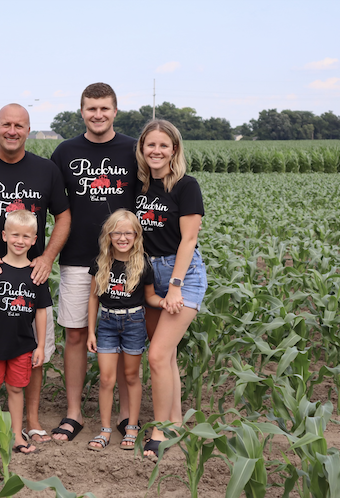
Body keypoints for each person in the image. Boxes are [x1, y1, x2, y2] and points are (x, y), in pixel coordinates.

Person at [0, 104, 70, 443]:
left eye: (20, 125)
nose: (12, 130)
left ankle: (31, 419)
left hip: (30, 279)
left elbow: (63, 216)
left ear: (28, 130)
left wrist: (48, 257)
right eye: (6, 124)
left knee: (32, 350)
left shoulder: (46, 170)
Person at [50, 83, 138, 442]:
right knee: (75, 334)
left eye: (104, 108)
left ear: (115, 111)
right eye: (91, 109)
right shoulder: (66, 152)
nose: (97, 114)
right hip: (77, 256)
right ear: (81, 112)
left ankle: (123, 414)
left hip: (124, 260)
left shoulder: (133, 149)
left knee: (123, 336)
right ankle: (74, 413)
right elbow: (54, 204)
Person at [134, 120, 207, 461]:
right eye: (151, 145)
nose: (157, 151)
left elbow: (189, 240)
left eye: (164, 145)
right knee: (167, 355)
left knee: (158, 355)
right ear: (142, 148)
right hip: (148, 274)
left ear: (174, 149)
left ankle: (160, 429)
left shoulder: (186, 186)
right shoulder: (139, 186)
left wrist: (176, 286)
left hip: (182, 274)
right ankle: (176, 422)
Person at [86, 210, 166, 451]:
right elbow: (93, 299)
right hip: (108, 323)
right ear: (108, 235)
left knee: (131, 377)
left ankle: (131, 427)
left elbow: (150, 297)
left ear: (136, 235)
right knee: (107, 379)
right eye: (117, 232)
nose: (122, 237)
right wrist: (91, 331)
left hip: (134, 323)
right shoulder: (101, 262)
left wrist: (165, 302)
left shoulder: (143, 263)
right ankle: (105, 430)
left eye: (127, 232)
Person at [0, 210, 51, 455]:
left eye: (26, 236)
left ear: (35, 240)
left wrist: (40, 346)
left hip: (23, 345)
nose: (20, 240)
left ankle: (17, 435)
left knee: (17, 389)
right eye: (15, 235)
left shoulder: (36, 274)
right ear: (4, 236)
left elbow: (41, 311)